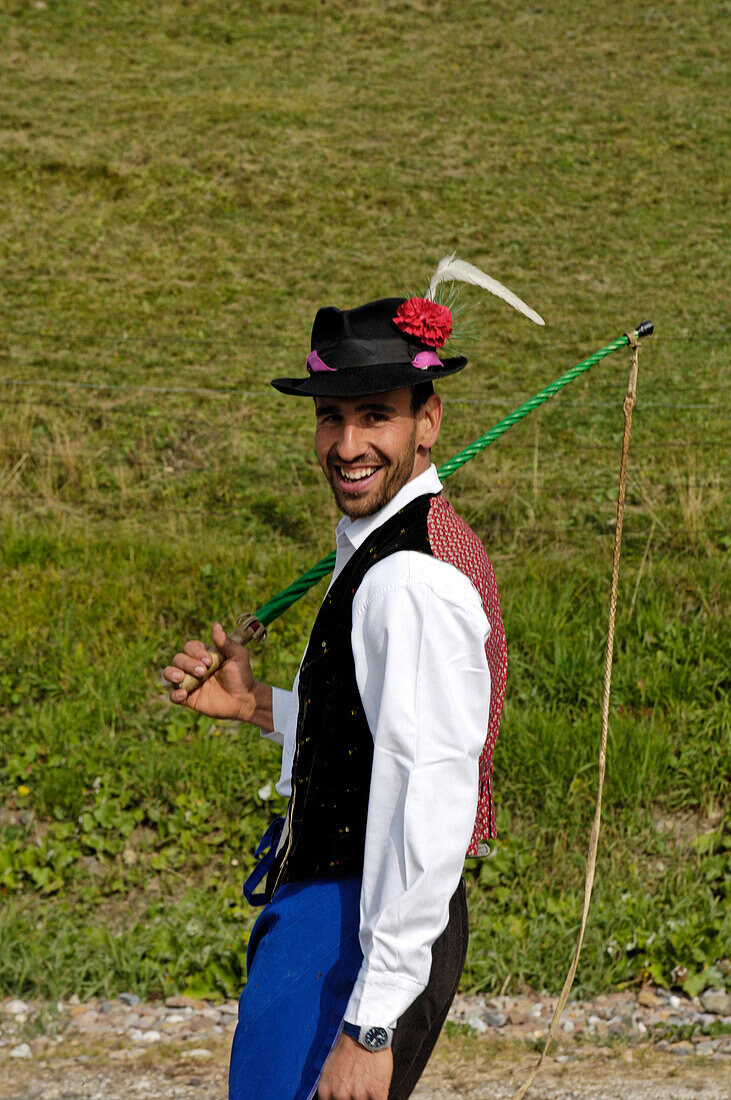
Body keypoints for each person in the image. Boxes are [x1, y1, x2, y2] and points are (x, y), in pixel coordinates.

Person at [164, 293, 507, 1100]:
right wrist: (253, 707)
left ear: (428, 421)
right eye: (331, 418)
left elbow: (427, 795)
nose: (348, 446)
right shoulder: (382, 550)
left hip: (354, 930)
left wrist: (372, 1021)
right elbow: (369, 737)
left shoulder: (409, 578)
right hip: (330, 919)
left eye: (376, 416)